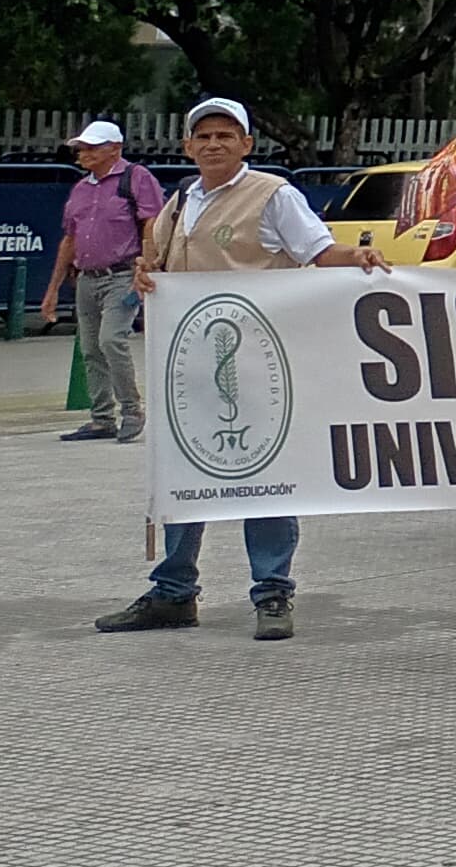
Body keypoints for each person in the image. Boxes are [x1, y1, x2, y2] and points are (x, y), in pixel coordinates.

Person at [94, 99, 342, 640]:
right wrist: (144, 275)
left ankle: (273, 592)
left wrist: (360, 261)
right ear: (187, 146)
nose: (213, 144)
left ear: (247, 144)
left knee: (269, 477)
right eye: (202, 136)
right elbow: (155, 263)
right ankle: (173, 592)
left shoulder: (275, 196)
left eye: (225, 135)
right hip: (188, 365)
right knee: (182, 474)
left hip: (260, 363)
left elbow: (319, 254)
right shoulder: (181, 200)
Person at [38, 116, 164, 444]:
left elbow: (152, 221)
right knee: (91, 348)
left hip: (123, 274)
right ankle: (102, 417)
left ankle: (131, 409)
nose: (84, 153)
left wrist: (148, 263)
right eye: (82, 148)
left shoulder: (136, 178)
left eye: (93, 147)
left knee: (110, 340)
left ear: (115, 149)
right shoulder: (81, 189)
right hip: (87, 277)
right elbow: (70, 239)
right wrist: (53, 289)